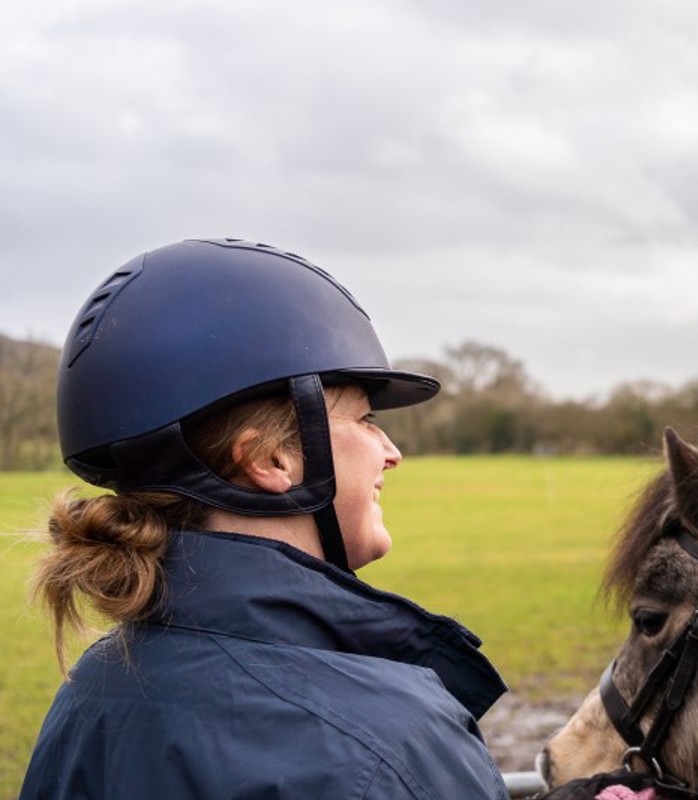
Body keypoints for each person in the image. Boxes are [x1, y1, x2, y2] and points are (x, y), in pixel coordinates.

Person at [22, 239, 509, 799]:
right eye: (366, 418)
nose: (390, 451)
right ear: (271, 459)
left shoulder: (90, 696)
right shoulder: (386, 744)